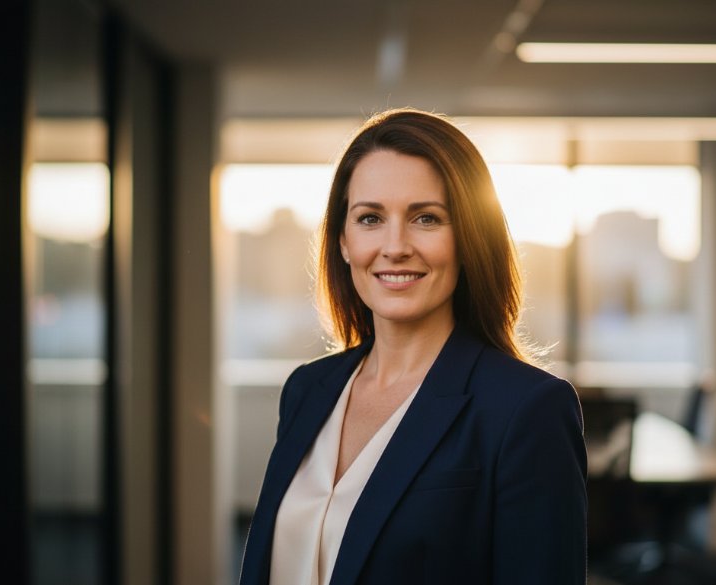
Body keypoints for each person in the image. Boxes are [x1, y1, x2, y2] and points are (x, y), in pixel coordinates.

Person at [239, 108, 586, 585]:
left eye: (426, 218)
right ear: (343, 241)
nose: (395, 245)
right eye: (370, 218)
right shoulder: (307, 390)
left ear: (468, 238)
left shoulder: (525, 410)